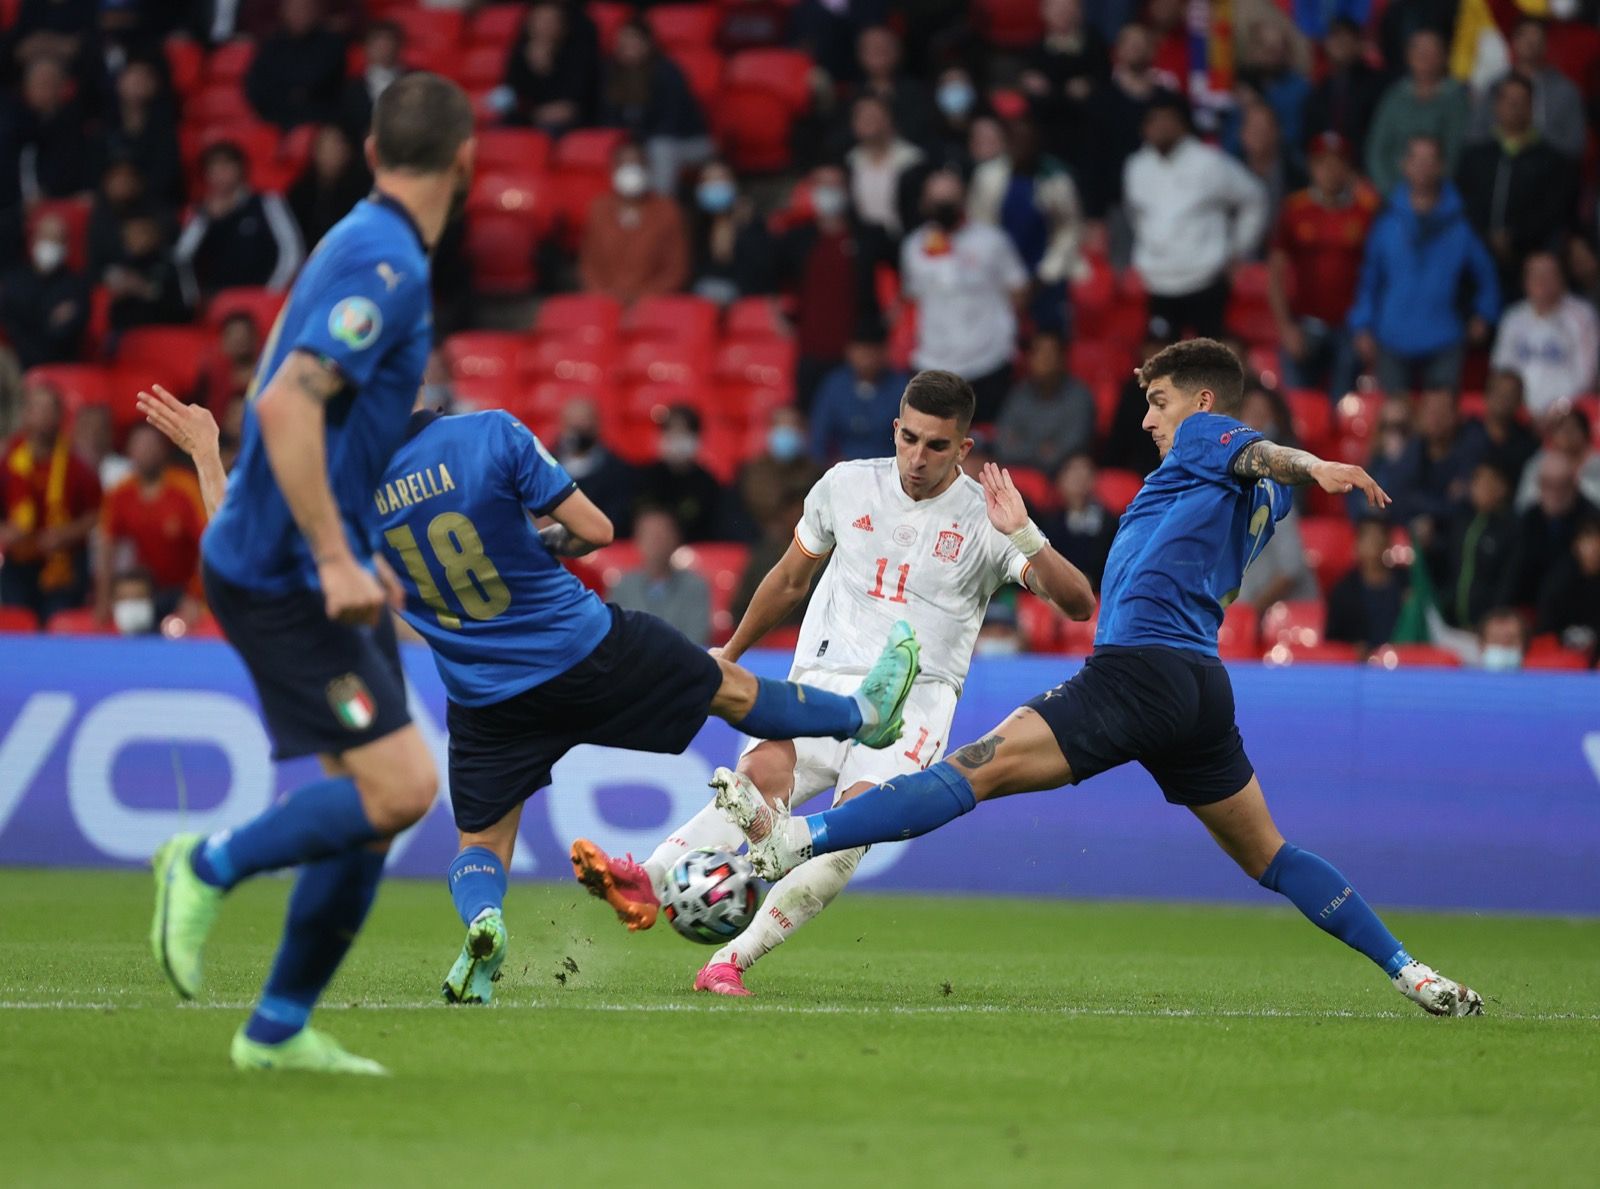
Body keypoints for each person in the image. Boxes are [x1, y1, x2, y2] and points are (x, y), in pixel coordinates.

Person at [715, 338, 1486, 1018]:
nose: (1149, 420)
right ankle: (1409, 969)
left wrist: (1314, 463)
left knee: (969, 772)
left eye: (1158, 402)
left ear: (1204, 402)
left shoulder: (1207, 439)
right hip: (1198, 689)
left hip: (1136, 671)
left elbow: (1258, 453)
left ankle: (796, 839)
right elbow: (1257, 478)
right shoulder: (1250, 498)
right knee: (1272, 857)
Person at [141, 389, 925, 1012]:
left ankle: (484, 926)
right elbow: (595, 526)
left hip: (485, 697)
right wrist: (542, 541)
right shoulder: (489, 434)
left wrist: (210, 453)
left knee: (480, 839)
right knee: (732, 689)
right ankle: (863, 714)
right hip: (585, 650)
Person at [144, 73, 475, 1076]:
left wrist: (350, 543)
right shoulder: (387, 266)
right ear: (467, 163)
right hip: (286, 573)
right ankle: (202, 864)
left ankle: (278, 1028)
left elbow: (272, 398)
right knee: (404, 786)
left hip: (305, 558)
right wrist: (333, 552)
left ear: (372, 154)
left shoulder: (355, 243)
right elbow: (287, 407)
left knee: (367, 816)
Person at [574, 370, 1095, 994]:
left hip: (916, 699)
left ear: (964, 448)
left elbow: (1078, 604)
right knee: (755, 789)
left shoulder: (987, 520)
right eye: (910, 438)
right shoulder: (846, 485)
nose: (918, 457)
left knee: (849, 834)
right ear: (895, 429)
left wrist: (1023, 532)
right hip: (823, 680)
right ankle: (649, 881)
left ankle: (729, 960)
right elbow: (790, 579)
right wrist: (731, 655)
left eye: (937, 446)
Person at [1348, 136, 1499, 396]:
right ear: (1405, 165)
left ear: (1441, 166)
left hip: (1444, 338)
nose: (1422, 167)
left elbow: (1487, 276)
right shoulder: (1387, 221)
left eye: (1430, 160)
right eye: (1416, 160)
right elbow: (1369, 279)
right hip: (1392, 336)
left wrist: (1484, 314)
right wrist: (1362, 324)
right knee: (1395, 421)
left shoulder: (1459, 224)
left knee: (1441, 423)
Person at [1124, 91, 1267, 340]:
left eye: (1166, 119)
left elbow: (1254, 197)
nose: (1159, 126)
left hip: (1205, 280)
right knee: (1164, 368)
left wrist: (1239, 249)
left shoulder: (1209, 162)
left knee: (1207, 366)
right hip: (1157, 283)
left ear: (1182, 123)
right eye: (1153, 120)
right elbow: (1136, 216)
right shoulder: (1136, 167)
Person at [900, 169, 1029, 425]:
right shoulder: (914, 246)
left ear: (964, 200)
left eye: (950, 200)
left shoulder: (992, 240)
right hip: (933, 363)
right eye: (936, 201)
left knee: (985, 448)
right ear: (925, 204)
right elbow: (913, 298)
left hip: (988, 362)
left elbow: (1019, 291)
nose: (943, 208)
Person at [1268, 131, 1379, 398]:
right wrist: (1285, 328)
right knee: (1298, 402)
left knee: (1345, 404)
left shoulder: (1365, 212)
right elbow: (1276, 273)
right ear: (1311, 167)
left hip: (1351, 326)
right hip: (1305, 323)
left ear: (1348, 168)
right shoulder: (1295, 210)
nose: (1330, 170)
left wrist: (1369, 327)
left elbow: (1379, 272)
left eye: (1337, 162)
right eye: (1322, 163)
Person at [1455, 74, 1578, 301]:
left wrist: (1515, 237)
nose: (1514, 107)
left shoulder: (1552, 161)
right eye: (1508, 100)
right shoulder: (1474, 157)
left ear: (1532, 107)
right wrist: (1486, 237)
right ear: (1496, 106)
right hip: (1475, 261)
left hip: (1529, 262)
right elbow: (1464, 203)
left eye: (1522, 101)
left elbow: (1553, 210)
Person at [775, 163, 890, 405]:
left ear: (847, 190)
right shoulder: (796, 239)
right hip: (810, 351)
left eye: (834, 185)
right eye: (821, 185)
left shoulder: (870, 236)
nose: (827, 191)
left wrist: (891, 313)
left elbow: (900, 277)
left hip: (857, 355)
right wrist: (779, 315)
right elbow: (773, 281)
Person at [967, 115, 1084, 334]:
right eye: (1017, 140)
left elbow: (1070, 229)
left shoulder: (1057, 179)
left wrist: (1045, 275)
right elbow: (979, 228)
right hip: (998, 278)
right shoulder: (987, 177)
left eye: (1028, 140)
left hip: (1044, 277)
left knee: (1047, 338)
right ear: (1008, 142)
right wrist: (1004, 277)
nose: (1023, 146)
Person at [0, 380, 101, 621]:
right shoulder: (8, 461)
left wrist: (65, 534)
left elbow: (95, 513)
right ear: (25, 414)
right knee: (16, 622)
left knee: (60, 623)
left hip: (63, 563)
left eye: (49, 409)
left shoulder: (77, 464)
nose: (43, 416)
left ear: (59, 416)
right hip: (18, 561)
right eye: (37, 408)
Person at [94, 422, 206, 623]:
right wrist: (103, 598)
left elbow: (207, 545)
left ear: (163, 450)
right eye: (139, 445)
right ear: (129, 451)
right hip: (145, 590)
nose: (146, 451)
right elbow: (106, 547)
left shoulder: (185, 488)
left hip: (186, 588)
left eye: (151, 445)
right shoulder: (120, 493)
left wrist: (195, 596)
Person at [173, 142, 304, 308]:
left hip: (263, 298)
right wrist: (196, 302)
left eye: (226, 165)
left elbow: (291, 252)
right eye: (214, 168)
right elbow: (182, 257)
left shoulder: (268, 202)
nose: (220, 173)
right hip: (218, 303)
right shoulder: (200, 215)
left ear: (241, 168)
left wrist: (271, 293)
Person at [598, 20, 712, 195]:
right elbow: (610, 121)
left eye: (633, 41)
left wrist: (637, 147)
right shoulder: (612, 75)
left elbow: (670, 124)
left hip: (690, 142)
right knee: (615, 151)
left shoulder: (667, 72)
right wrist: (626, 147)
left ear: (647, 43)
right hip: (643, 144)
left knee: (660, 147)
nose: (628, 47)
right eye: (622, 43)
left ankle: (660, 209)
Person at [1234, 386, 1319, 610]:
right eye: (1251, 412)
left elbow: (1290, 571)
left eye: (1264, 414)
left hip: (1285, 618)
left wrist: (1250, 614)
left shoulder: (1277, 494)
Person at [577, 141, 688, 305]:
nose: (630, 170)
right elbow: (589, 265)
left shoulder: (667, 210)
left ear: (647, 169)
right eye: (624, 164)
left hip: (652, 306)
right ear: (613, 169)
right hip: (605, 304)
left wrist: (640, 299)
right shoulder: (599, 209)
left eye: (636, 164)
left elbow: (675, 269)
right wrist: (605, 297)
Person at [1491, 252, 1599, 419]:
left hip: (1567, 416)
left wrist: (1560, 408)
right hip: (1519, 415)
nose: (1542, 280)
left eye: (1548, 274)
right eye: (1535, 274)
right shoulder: (1513, 318)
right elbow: (1501, 370)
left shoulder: (1582, 316)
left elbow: (1587, 377)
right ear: (1525, 281)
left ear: (1562, 278)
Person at [1364, 29, 1470, 196]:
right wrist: (1392, 192)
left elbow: (1456, 153)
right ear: (1408, 56)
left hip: (1440, 194)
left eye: (1431, 52)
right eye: (1419, 51)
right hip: (1393, 193)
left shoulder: (1456, 98)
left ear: (1444, 56)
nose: (1425, 57)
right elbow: (1377, 150)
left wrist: (1433, 192)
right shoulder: (1395, 95)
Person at [1469, 18, 1586, 161]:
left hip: (1549, 170)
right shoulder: (1495, 87)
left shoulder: (1565, 91)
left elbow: (1574, 145)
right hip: (1497, 166)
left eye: (1537, 37)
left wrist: (1537, 140)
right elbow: (1475, 135)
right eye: (1524, 36)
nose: (1531, 42)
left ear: (1546, 44)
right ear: (1513, 42)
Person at [1020, 0, 1109, 185]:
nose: (1063, 14)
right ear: (1044, 13)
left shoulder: (1095, 44)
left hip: (1087, 135)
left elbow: (1101, 88)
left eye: (1069, 9)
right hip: (1047, 136)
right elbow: (1037, 100)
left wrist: (1052, 90)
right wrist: (1067, 92)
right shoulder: (1034, 49)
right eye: (1057, 9)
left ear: (1080, 12)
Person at [607, 507, 712, 645]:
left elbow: (697, 638)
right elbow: (613, 636)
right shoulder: (623, 586)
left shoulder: (695, 586)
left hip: (682, 662)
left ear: (676, 539)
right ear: (637, 540)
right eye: (650, 535)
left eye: (662, 535)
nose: (656, 542)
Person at [994, 332, 1094, 475]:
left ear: (1062, 359)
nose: (1044, 359)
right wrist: (1041, 450)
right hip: (1015, 468)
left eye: (1050, 353)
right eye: (1038, 353)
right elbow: (1003, 445)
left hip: (1062, 472)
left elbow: (1071, 448)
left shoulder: (1079, 396)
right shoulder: (1018, 394)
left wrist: (1022, 446)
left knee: (1079, 469)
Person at [1437, 461, 1521, 631]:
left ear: (1503, 487)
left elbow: (1508, 581)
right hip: (1453, 627)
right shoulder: (1461, 522)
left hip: (1489, 629)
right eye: (1477, 481)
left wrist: (1493, 621)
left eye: (1489, 481)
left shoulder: (1512, 529)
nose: (1481, 487)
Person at [0, 210, 90, 369]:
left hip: (63, 367)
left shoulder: (77, 284)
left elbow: (67, 332)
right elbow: (15, 328)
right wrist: (48, 320)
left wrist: (36, 321)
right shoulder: (13, 281)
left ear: (66, 246)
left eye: (57, 240)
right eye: (45, 238)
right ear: (33, 240)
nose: (50, 245)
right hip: (20, 366)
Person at [495, 1, 599, 135]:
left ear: (562, 27)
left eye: (550, 21)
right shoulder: (520, 53)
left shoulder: (577, 53)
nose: (544, 26)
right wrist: (534, 69)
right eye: (539, 20)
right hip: (528, 116)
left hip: (567, 122)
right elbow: (510, 94)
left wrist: (548, 69)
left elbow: (572, 104)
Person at [244, 0, 348, 130]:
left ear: (315, 12)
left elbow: (316, 82)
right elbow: (256, 86)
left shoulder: (331, 44)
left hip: (320, 120)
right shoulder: (272, 45)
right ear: (283, 12)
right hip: (275, 119)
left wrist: (288, 89)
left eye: (304, 9)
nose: (299, 14)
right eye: (294, 9)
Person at [809, 329, 907, 463]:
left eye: (871, 353)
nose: (866, 360)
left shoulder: (901, 387)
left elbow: (908, 439)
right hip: (842, 467)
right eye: (861, 352)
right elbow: (819, 434)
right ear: (849, 352)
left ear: (884, 353)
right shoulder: (835, 384)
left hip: (888, 467)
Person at [686, 160, 775, 305]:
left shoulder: (751, 222)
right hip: (701, 300)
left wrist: (739, 228)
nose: (715, 186)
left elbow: (761, 272)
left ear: (734, 184)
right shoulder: (694, 223)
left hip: (744, 298)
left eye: (721, 179)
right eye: (708, 181)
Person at [1515, 452, 1598, 607]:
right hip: (1532, 603)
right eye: (1547, 485)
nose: (1554, 493)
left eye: (1561, 485)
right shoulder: (1530, 518)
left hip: (1579, 605)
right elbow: (1515, 569)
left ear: (1574, 484)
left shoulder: (1591, 519)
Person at [1302, 17, 1385, 164]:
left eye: (1346, 39)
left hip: (1364, 170)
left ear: (1359, 44)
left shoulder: (1377, 85)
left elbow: (1380, 136)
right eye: (1334, 39)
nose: (1340, 45)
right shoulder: (1320, 89)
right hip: (1327, 170)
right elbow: (1310, 136)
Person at [634, 405, 721, 541]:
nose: (676, 438)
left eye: (683, 432)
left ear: (696, 437)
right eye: (671, 431)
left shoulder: (708, 484)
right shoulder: (644, 478)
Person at [845, 94, 925, 242]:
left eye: (873, 116)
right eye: (861, 116)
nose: (867, 121)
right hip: (862, 242)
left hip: (903, 240)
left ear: (888, 120)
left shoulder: (912, 160)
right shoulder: (848, 163)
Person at [552, 397, 634, 535]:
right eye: (571, 423)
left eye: (583, 423)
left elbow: (617, 518)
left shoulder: (617, 470)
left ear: (597, 425)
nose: (577, 429)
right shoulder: (545, 466)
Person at [288, 125, 374, 253]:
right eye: (326, 148)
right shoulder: (299, 194)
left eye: (338, 146)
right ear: (315, 150)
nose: (332, 153)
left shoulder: (361, 194)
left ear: (348, 151)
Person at [1325, 517, 1405, 654]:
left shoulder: (1406, 584)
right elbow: (1331, 641)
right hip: (1357, 669)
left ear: (1388, 542)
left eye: (1378, 537)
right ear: (1357, 544)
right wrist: (1351, 649)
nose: (1374, 544)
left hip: (1402, 665)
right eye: (1367, 538)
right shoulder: (1343, 591)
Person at [739, 405, 822, 533]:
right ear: (770, 431)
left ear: (803, 432)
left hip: (808, 540)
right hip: (764, 540)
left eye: (791, 427)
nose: (785, 433)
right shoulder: (755, 470)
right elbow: (762, 507)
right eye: (780, 427)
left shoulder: (815, 472)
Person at [1040, 452, 1117, 591]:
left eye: (1085, 471)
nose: (1079, 478)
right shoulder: (1049, 524)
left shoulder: (1111, 524)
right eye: (1073, 471)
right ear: (1059, 480)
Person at [104, 211, 189, 332]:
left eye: (139, 233)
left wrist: (146, 290)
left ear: (154, 233)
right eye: (128, 234)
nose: (133, 239)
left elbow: (187, 306)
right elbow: (114, 315)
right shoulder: (125, 265)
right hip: (127, 336)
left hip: (165, 333)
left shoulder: (177, 262)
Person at [1461, 369, 1538, 492]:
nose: (1504, 399)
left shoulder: (1527, 443)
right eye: (1499, 392)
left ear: (1520, 401)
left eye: (1511, 394)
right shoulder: (1463, 434)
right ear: (1486, 395)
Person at [1536, 514, 1600, 662]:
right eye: (1589, 541)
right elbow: (1546, 626)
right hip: (1561, 649)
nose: (1595, 548)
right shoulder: (1559, 579)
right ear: (1576, 545)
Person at [1516, 407, 1600, 512]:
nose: (1567, 434)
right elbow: (1524, 504)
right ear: (1552, 436)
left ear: (1585, 434)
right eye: (1562, 429)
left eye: (1573, 428)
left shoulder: (1597, 464)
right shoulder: (1538, 465)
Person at [340, 20, 406, 140]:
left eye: (388, 41)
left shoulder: (416, 81)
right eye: (377, 42)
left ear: (398, 45)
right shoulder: (351, 89)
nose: (384, 48)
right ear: (366, 47)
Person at [196, 312, 262, 417]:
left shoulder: (268, 377)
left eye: (244, 335)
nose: (240, 340)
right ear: (223, 341)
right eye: (234, 335)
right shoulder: (211, 377)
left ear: (255, 338)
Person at [106, 567, 161, 637]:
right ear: (112, 601)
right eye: (124, 598)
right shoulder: (93, 635)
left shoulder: (167, 637)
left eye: (139, 598)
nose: (131, 605)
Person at [1472, 607, 1527, 672]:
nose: (1503, 646)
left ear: (1524, 645)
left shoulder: (1539, 677)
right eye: (1496, 640)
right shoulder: (1462, 677)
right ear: (1481, 645)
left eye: (1511, 641)